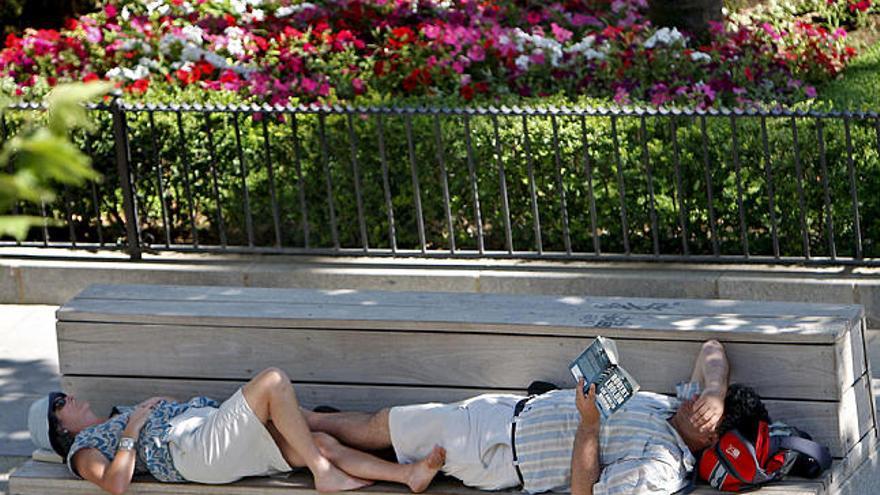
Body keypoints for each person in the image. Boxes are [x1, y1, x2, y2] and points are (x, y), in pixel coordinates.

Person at [304, 339, 771, 495]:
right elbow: (712, 349)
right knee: (379, 428)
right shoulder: (677, 409)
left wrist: (589, 425)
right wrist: (714, 389)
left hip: (497, 452)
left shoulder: (662, 468)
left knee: (376, 427)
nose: (695, 407)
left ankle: (296, 423)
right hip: (504, 411)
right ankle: (302, 432)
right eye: (702, 403)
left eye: (708, 416)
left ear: (714, 442)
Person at [28, 367, 446, 495]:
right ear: (60, 430)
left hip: (210, 436)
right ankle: (323, 474)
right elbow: (114, 485)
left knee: (315, 438)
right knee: (274, 381)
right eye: (60, 405)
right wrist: (134, 428)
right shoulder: (83, 450)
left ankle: (407, 475)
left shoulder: (113, 417)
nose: (70, 399)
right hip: (194, 452)